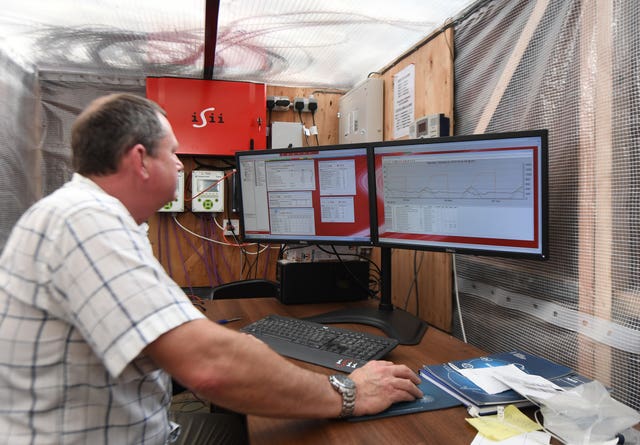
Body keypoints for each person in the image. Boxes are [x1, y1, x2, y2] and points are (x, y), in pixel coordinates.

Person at [0, 93, 423, 444]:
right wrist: (347, 392)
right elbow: (212, 367)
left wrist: (244, 348)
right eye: (174, 153)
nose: (182, 166)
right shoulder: (85, 221)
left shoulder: (81, 215)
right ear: (140, 159)